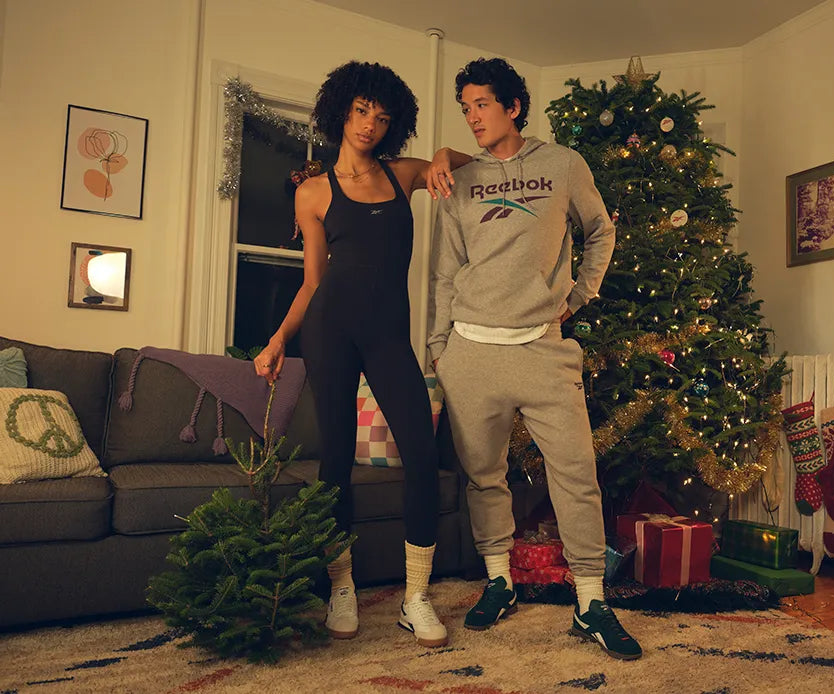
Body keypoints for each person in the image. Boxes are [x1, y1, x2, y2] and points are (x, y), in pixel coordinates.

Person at [427, 57, 642, 661]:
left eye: (482, 105)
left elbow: (601, 231)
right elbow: (447, 270)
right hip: (471, 350)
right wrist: (441, 349)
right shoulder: (460, 180)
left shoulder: (562, 165)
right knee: (484, 476)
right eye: (465, 106)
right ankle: (500, 582)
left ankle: (592, 603)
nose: (472, 117)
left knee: (576, 473)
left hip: (543, 349)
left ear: (513, 106)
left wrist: (578, 296)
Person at [253, 61, 471, 649]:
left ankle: (416, 597)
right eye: (361, 111)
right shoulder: (313, 190)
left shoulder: (401, 176)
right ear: (341, 111)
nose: (369, 125)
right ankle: (341, 587)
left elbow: (463, 165)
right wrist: (278, 339)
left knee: (422, 457)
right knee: (335, 464)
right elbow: (311, 282)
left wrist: (445, 151)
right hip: (329, 331)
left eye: (382, 116)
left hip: (386, 335)